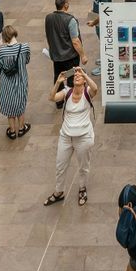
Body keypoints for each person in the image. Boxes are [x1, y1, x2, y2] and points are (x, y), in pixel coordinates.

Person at [45, 66, 98, 207]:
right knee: (60, 165)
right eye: (75, 76)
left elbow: (95, 89)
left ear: (84, 80)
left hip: (84, 137)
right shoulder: (66, 92)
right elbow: (51, 97)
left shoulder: (87, 92)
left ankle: (82, 188)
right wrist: (58, 82)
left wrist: (85, 74)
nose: (76, 77)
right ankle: (59, 192)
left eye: (79, 76)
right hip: (66, 136)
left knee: (83, 166)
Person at [45, 0, 86, 109]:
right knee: (72, 78)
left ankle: (58, 101)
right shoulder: (70, 20)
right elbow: (75, 41)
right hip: (70, 57)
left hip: (56, 56)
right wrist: (83, 55)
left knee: (58, 77)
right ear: (66, 5)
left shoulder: (48, 17)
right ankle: (71, 99)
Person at [0, 24, 31, 140]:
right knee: (20, 103)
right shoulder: (25, 47)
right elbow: (27, 61)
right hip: (21, 80)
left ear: (5, 37)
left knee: (10, 106)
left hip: (7, 83)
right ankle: (21, 128)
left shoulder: (1, 51)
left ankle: (12, 130)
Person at [87, 0, 112, 76]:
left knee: (105, 44)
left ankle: (104, 66)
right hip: (97, 19)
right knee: (101, 41)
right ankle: (103, 60)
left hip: (102, 22)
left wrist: (94, 22)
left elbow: (104, 13)